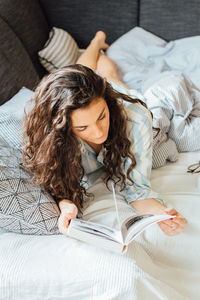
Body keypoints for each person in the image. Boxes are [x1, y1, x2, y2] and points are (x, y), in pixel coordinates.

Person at [22, 31, 187, 237]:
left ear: (107, 105)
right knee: (78, 73)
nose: (99, 133)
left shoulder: (134, 118)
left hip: (121, 97)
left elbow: (137, 190)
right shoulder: (53, 136)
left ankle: (103, 61)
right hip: (90, 96)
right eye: (82, 128)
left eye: (101, 117)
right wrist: (66, 206)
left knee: (110, 79)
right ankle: (96, 42)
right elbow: (54, 184)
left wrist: (163, 216)